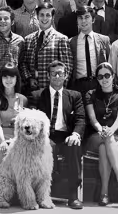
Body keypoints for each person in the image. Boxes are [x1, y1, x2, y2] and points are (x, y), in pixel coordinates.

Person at [30, 60, 85, 210]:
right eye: (53, 73)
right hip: (46, 135)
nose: (57, 76)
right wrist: (42, 136)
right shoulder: (37, 95)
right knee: (48, 146)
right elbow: (32, 119)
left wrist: (75, 134)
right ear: (48, 76)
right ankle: (45, 192)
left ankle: (73, 196)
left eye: (60, 73)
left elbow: (80, 118)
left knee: (74, 146)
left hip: (67, 135)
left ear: (66, 75)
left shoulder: (75, 96)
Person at [84, 62, 118, 205]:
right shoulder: (90, 94)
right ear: (97, 79)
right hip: (95, 136)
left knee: (105, 147)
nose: (104, 79)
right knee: (105, 140)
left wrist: (111, 130)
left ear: (113, 76)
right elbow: (92, 119)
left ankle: (104, 193)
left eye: (107, 75)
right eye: (100, 76)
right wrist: (101, 129)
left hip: (116, 136)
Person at [18, 2, 73, 93]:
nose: (44, 18)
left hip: (53, 89)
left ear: (52, 17)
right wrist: (29, 78)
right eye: (42, 15)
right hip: (32, 90)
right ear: (37, 16)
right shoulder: (28, 39)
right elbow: (23, 63)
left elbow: (67, 67)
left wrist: (60, 88)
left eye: (48, 15)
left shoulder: (61, 39)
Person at [0, 64, 27, 165]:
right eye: (5, 76)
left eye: (12, 76)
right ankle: (2, 180)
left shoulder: (23, 99)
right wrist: (2, 141)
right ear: (1, 78)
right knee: (4, 151)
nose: (8, 80)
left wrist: (16, 140)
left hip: (16, 137)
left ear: (17, 78)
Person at [68, 6, 111, 95]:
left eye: (87, 17)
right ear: (77, 21)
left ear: (93, 19)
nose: (83, 21)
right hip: (78, 86)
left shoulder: (104, 40)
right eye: (80, 18)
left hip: (98, 83)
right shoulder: (71, 42)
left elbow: (109, 63)